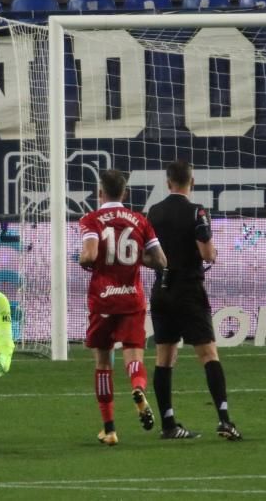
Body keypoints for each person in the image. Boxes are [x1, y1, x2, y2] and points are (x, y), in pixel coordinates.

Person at [147, 160, 241, 442]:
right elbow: (207, 252)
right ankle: (224, 420)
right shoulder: (197, 212)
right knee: (208, 355)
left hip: (162, 290)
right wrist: (212, 252)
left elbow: (148, 253)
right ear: (192, 182)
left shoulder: (153, 212)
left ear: (168, 183)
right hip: (189, 291)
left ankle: (168, 424)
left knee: (164, 357)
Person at [79, 169, 167, 447]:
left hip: (103, 300)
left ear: (99, 192)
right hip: (132, 299)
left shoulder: (91, 219)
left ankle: (110, 429)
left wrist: (83, 260)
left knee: (103, 364)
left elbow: (90, 255)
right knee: (134, 356)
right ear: (124, 193)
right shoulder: (141, 221)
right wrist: (136, 260)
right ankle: (138, 389)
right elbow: (161, 261)